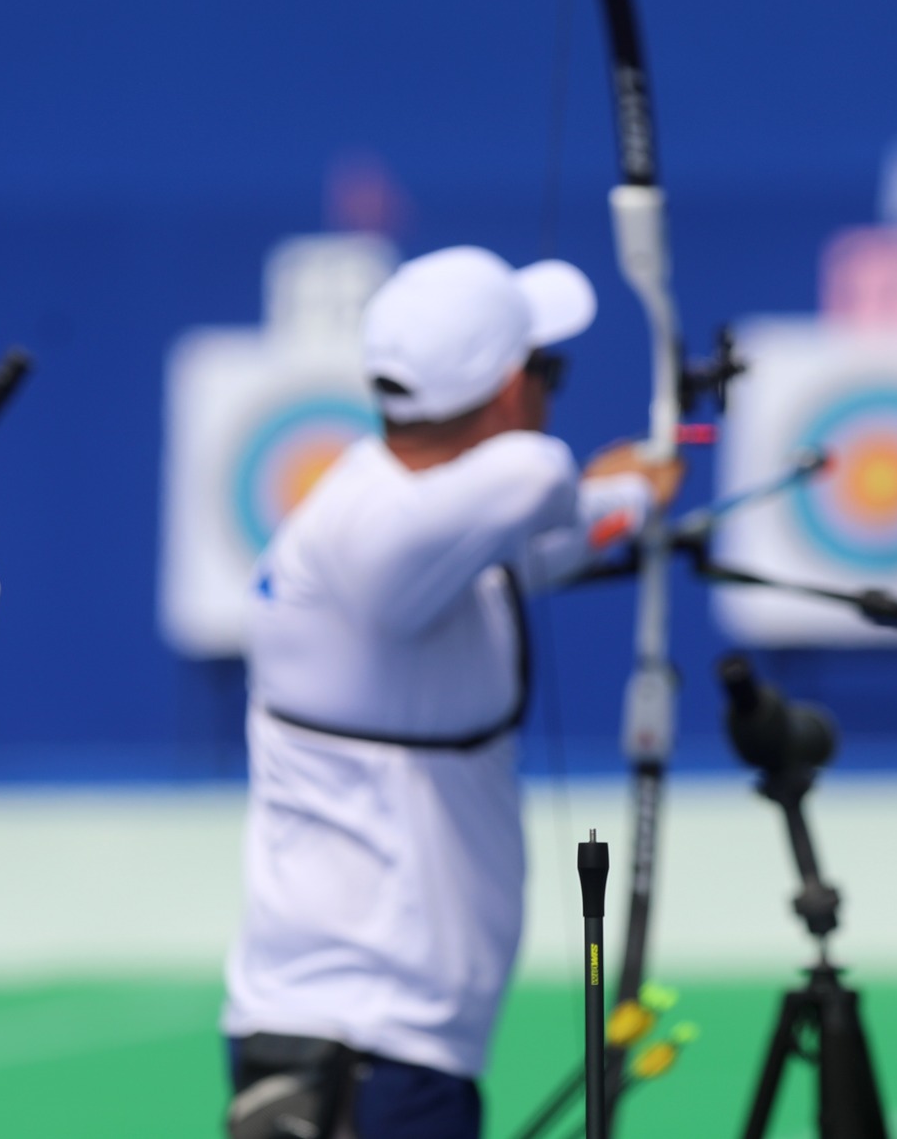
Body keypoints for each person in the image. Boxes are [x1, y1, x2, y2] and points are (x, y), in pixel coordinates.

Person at [222, 246, 683, 1139]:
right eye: (548, 370)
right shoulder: (370, 534)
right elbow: (540, 481)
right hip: (356, 1055)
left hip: (381, 1045)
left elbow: (548, 541)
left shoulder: (424, 535)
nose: (552, 391)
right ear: (513, 386)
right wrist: (593, 481)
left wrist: (633, 494)